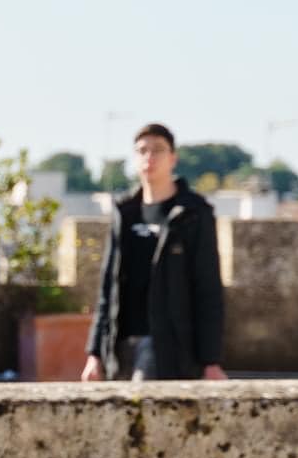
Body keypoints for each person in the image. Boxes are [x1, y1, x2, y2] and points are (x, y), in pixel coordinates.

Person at [82, 122, 228, 382]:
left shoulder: (192, 213)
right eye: (142, 150)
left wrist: (211, 361)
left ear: (173, 158)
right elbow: (108, 288)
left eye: (158, 150)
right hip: (121, 343)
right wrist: (94, 353)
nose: (149, 157)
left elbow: (208, 289)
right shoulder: (124, 212)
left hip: (167, 345)